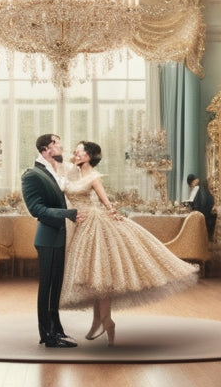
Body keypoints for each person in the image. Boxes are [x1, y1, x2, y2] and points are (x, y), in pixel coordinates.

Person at [60, 141, 199, 345]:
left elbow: (105, 201)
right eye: (76, 151)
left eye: (79, 151)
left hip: (94, 224)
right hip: (80, 225)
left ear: (89, 156)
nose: (75, 153)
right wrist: (69, 163)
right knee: (91, 275)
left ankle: (107, 320)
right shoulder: (74, 173)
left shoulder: (94, 177)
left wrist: (112, 211)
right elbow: (64, 175)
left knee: (101, 273)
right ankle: (97, 319)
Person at [21, 134, 84, 349]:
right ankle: (47, 335)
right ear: (47, 149)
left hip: (57, 236)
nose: (62, 147)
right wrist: (68, 213)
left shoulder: (52, 171)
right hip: (47, 237)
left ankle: (56, 329)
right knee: (47, 287)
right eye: (58, 144)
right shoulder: (32, 175)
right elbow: (36, 209)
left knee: (56, 286)